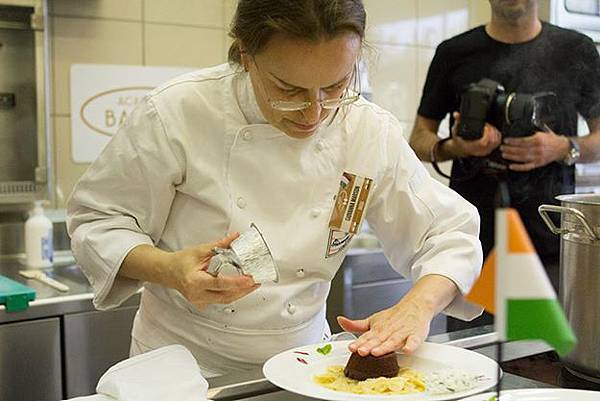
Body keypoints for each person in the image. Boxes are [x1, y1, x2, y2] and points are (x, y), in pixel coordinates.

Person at [67, 0, 483, 377]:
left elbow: (448, 233)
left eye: (336, 86)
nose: (314, 112)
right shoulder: (179, 111)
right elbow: (99, 219)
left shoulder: (368, 131)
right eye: (289, 90)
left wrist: (417, 307)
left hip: (303, 364)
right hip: (182, 365)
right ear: (246, 57)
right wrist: (170, 270)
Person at [409, 0, 600, 330]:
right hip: (472, 251)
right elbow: (418, 141)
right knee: (470, 364)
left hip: (551, 248)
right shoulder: (454, 53)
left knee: (548, 363)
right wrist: (456, 146)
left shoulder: (576, 50)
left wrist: (562, 147)